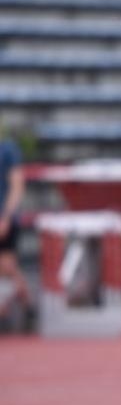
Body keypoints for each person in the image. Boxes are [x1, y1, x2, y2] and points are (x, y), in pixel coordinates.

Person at [0, 132, 34, 328]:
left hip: (4, 218)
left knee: (7, 265)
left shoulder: (7, 150)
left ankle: (27, 306)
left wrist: (6, 216)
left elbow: (17, 185)